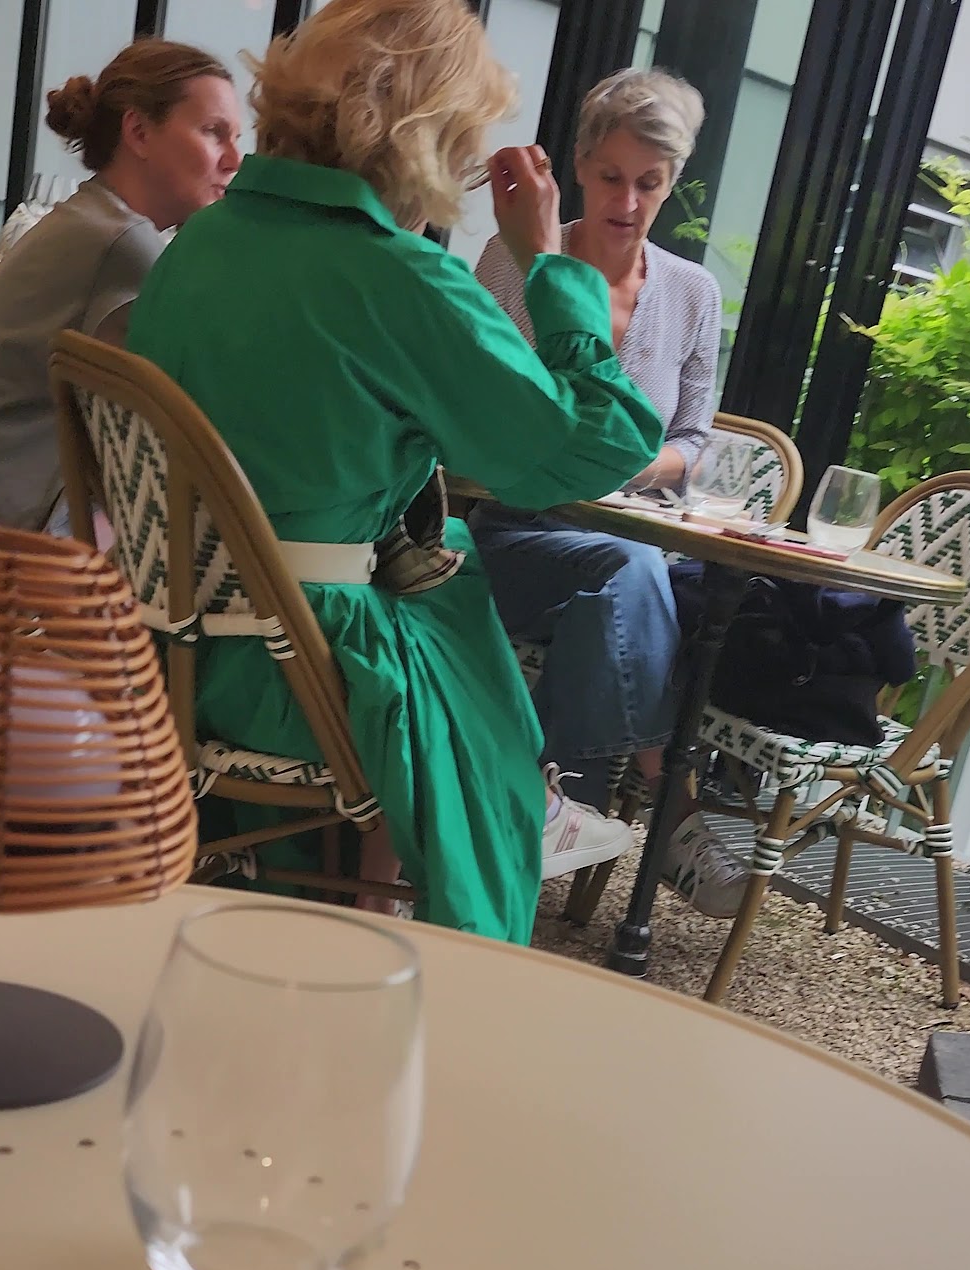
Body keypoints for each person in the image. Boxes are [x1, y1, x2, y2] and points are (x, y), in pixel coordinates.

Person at [125, 0, 666, 943]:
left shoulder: (202, 240)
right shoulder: (400, 277)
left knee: (441, 563)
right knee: (462, 637)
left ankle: (384, 880)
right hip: (295, 668)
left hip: (166, 646)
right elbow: (598, 443)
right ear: (429, 137)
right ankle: (502, 831)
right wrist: (548, 259)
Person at [474, 67, 750, 919]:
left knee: (619, 588)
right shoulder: (514, 260)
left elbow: (693, 441)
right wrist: (580, 458)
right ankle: (670, 799)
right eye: (611, 177)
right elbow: (478, 413)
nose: (628, 202)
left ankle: (553, 805)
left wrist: (627, 467)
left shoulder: (693, 292)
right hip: (508, 533)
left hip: (625, 547)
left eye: (650, 183)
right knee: (631, 573)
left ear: (673, 182)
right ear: (580, 168)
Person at [0, 40, 243, 532]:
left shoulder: (88, 218)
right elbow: (186, 420)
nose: (235, 159)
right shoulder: (122, 242)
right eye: (213, 132)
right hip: (3, 530)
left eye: (237, 137)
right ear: (139, 132)